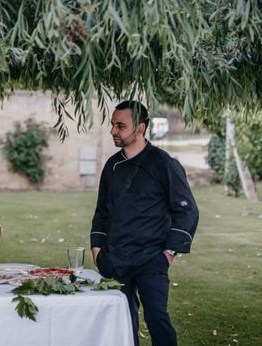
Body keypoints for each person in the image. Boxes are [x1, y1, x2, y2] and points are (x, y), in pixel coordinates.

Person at [90, 101, 199, 346]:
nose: (113, 131)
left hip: (152, 259)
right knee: (121, 323)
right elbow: (101, 213)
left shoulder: (164, 164)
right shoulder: (112, 166)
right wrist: (98, 252)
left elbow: (187, 211)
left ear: (140, 129)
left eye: (120, 126)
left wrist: (168, 253)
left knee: (157, 318)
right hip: (116, 259)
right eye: (112, 125)